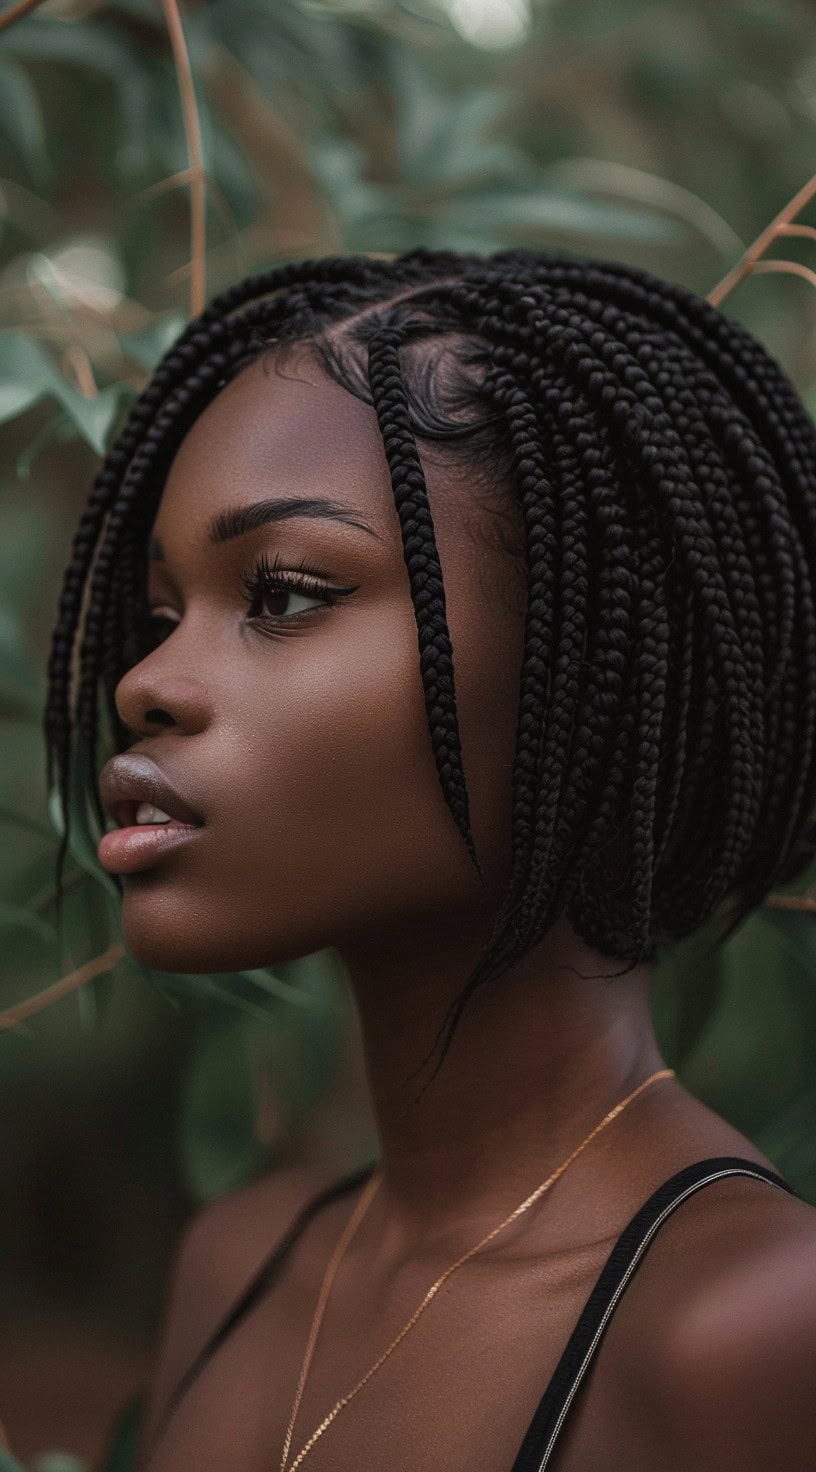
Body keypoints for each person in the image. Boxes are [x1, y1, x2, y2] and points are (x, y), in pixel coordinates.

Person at [44, 249, 816, 1471]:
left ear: (584, 660)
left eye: (285, 593)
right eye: (159, 613)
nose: (145, 682)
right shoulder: (238, 1263)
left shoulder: (752, 1331)